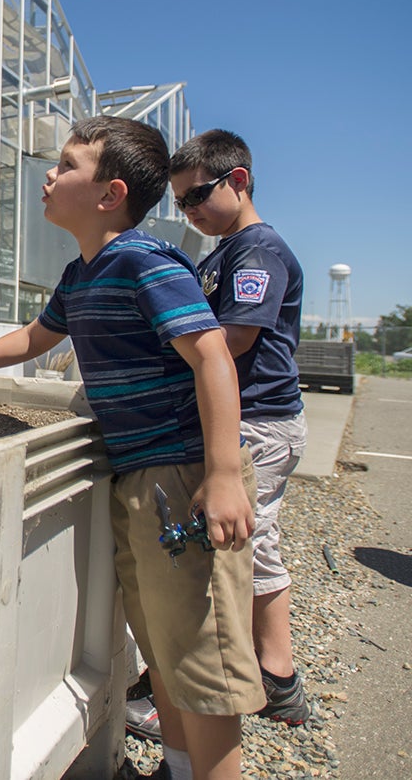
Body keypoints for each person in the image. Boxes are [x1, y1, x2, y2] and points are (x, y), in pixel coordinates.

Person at [0, 116, 263, 780]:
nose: (48, 176)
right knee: (162, 650)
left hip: (183, 475)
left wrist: (224, 473)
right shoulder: (83, 274)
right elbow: (36, 335)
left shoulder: (145, 262)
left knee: (202, 663)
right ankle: (175, 767)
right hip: (141, 478)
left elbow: (212, 360)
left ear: (110, 193)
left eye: (65, 166)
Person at [170, 129, 310, 725]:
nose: (190, 210)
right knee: (245, 539)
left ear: (239, 179)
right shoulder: (223, 252)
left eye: (198, 195)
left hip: (260, 418)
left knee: (241, 541)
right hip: (247, 416)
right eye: (180, 203)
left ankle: (273, 674)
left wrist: (162, 352)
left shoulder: (258, 250)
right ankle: (270, 671)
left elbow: (233, 338)